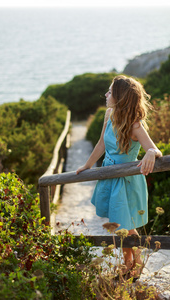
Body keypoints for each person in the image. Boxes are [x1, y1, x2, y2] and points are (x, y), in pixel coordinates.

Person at [76, 75, 162, 277]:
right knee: (121, 224)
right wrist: (86, 166)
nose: (106, 95)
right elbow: (101, 145)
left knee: (125, 225)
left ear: (120, 97)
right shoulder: (109, 114)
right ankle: (130, 266)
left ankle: (134, 267)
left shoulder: (135, 125)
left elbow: (154, 149)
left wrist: (151, 152)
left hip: (127, 181)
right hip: (110, 176)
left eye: (110, 92)